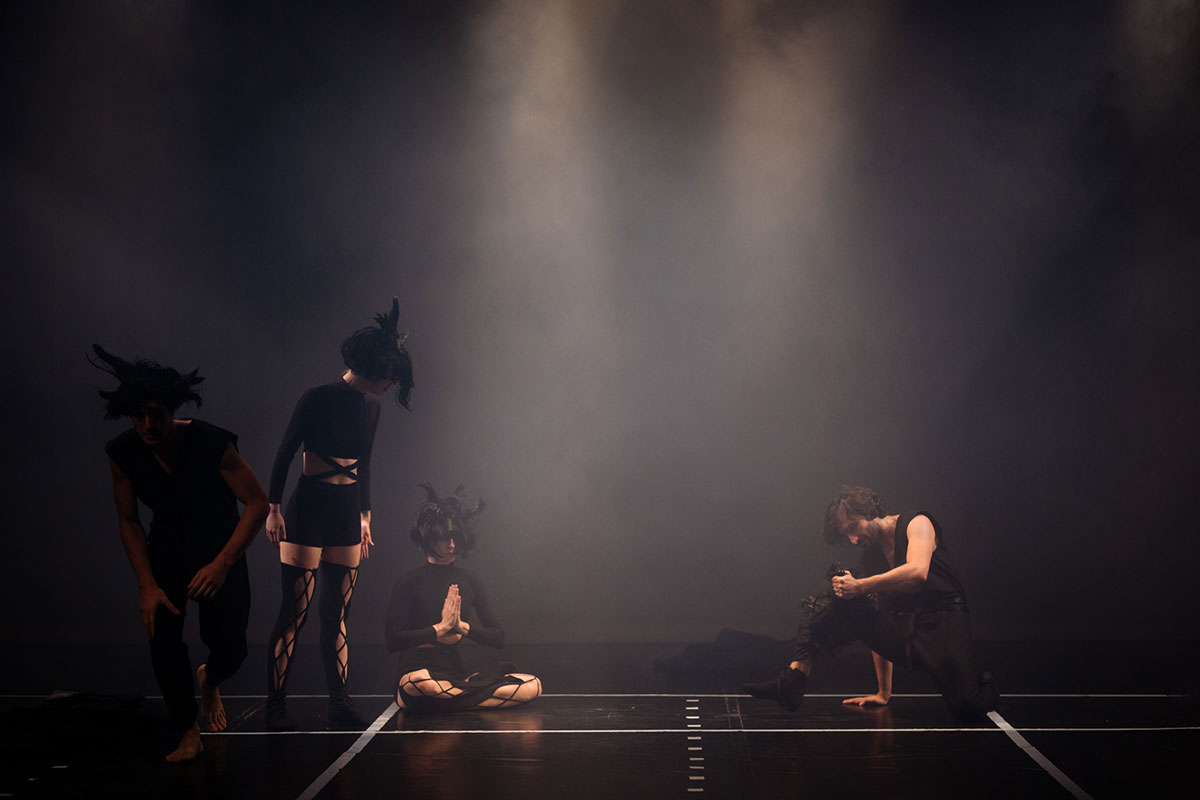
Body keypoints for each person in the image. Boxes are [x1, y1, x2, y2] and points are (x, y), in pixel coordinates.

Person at [92, 345, 268, 762]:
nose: (147, 425)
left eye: (156, 415)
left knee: (231, 649)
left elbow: (257, 504)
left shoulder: (211, 443)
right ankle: (188, 731)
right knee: (162, 638)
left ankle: (211, 679)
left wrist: (222, 564)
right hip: (167, 550)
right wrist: (147, 585)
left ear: (172, 410)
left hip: (220, 548)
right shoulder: (123, 453)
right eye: (138, 416)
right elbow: (129, 521)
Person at [264, 298, 414, 731]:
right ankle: (275, 706)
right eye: (389, 378)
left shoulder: (372, 406)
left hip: (347, 513)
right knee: (295, 612)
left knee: (337, 616)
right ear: (374, 368)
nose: (390, 385)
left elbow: (365, 462)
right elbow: (285, 452)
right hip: (307, 510)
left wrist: (365, 515)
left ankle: (340, 704)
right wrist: (273, 509)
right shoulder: (316, 397)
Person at [743, 486, 998, 722]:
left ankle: (986, 686)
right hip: (907, 635)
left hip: (945, 626)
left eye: (853, 527)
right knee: (840, 602)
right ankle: (792, 681)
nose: (853, 539)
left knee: (968, 707)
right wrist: (883, 692)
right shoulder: (872, 558)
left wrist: (861, 586)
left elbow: (917, 573)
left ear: (869, 511)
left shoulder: (917, 523)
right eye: (847, 535)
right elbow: (879, 613)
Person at [386, 484, 541, 712]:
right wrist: (440, 629)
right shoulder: (409, 581)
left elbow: (499, 637)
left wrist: (462, 627)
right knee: (421, 683)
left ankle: (451, 700)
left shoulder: (470, 580)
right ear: (429, 539)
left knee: (532, 685)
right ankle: (462, 698)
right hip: (417, 671)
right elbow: (393, 640)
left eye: (456, 539)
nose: (452, 545)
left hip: (454, 674)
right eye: (445, 539)